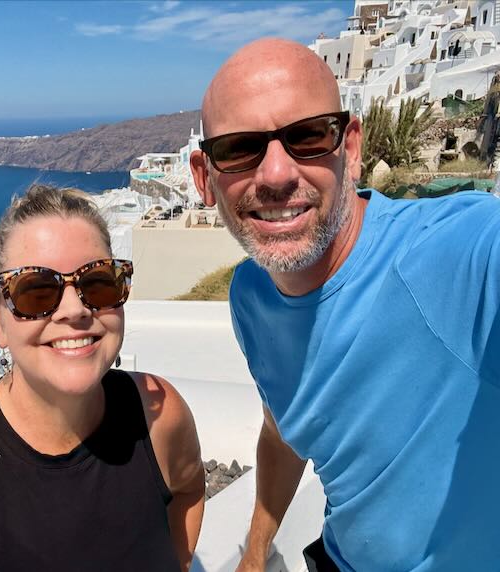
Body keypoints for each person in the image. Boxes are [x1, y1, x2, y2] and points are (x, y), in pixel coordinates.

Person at [189, 38, 500, 571]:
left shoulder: (452, 255)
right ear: (205, 177)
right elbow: (286, 426)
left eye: (308, 137)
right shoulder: (251, 295)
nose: (277, 174)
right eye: (241, 148)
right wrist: (256, 551)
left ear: (350, 148)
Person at [0, 184, 205, 572]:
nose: (74, 310)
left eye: (97, 282)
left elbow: (190, 490)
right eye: (37, 291)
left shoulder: (159, 415)